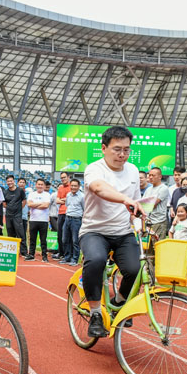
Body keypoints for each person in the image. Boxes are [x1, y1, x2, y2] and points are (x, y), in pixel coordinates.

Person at [78, 126, 143, 338]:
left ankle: (119, 302)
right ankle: (96, 313)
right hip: (94, 231)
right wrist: (125, 199)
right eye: (117, 149)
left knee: (136, 269)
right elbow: (98, 188)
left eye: (126, 149)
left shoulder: (133, 170)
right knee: (95, 260)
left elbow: (134, 203)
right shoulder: (94, 169)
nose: (122, 154)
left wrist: (139, 220)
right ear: (104, 148)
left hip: (123, 232)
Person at [60, 178, 84, 266]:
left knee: (75, 240)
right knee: (65, 239)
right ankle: (67, 257)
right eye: (72, 185)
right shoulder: (68, 195)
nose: (73, 187)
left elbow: (85, 208)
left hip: (76, 219)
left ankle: (75, 259)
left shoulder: (82, 196)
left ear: (79, 186)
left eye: (75, 186)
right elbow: (67, 205)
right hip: (67, 218)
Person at [26, 179, 51, 262]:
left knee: (43, 240)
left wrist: (35, 205)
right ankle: (31, 255)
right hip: (33, 220)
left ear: (44, 186)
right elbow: (29, 204)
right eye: (38, 184)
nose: (40, 186)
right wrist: (40, 203)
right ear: (36, 185)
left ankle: (44, 256)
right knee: (32, 239)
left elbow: (46, 205)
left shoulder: (47, 195)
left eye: (41, 184)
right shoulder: (31, 194)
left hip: (44, 220)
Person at [2, 175, 27, 257]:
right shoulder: (5, 192)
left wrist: (18, 208)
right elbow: (4, 204)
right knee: (10, 234)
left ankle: (23, 252)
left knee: (20, 234)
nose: (10, 182)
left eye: (11, 181)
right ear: (6, 182)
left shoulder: (20, 191)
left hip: (17, 216)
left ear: (14, 181)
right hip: (8, 216)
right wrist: (10, 208)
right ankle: (12, 251)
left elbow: (24, 201)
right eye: (8, 181)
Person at [146, 167, 170, 245]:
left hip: (159, 221)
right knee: (147, 246)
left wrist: (145, 203)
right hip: (148, 221)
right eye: (149, 175)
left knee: (157, 245)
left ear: (160, 177)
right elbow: (143, 205)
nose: (150, 177)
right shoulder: (148, 189)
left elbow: (152, 204)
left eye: (153, 175)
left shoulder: (163, 188)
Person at [54, 172, 70, 258]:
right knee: (59, 234)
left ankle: (68, 254)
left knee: (67, 235)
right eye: (61, 178)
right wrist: (65, 199)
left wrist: (62, 199)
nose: (63, 179)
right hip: (60, 213)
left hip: (68, 213)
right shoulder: (60, 188)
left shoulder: (72, 187)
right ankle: (61, 253)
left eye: (64, 177)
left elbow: (70, 199)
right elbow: (57, 201)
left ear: (68, 177)